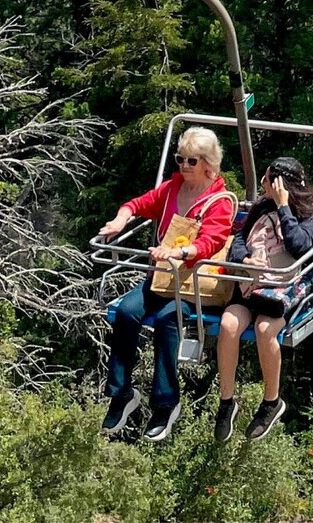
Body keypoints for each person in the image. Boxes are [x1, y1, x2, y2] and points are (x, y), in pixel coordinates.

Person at [95, 127, 238, 442]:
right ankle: (121, 394)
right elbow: (138, 204)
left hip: (190, 283)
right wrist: (121, 219)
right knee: (126, 312)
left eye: (191, 160)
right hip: (160, 278)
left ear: (207, 164)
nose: (184, 166)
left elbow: (212, 240)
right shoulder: (173, 188)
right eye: (180, 159)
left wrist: (178, 252)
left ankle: (165, 402)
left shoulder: (220, 200)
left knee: (166, 319)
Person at [214, 156, 313, 442]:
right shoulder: (261, 207)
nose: (263, 185)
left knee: (266, 329)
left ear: (280, 185)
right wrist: (247, 258)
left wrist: (283, 207)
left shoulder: (312, 213)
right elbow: (239, 241)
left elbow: (299, 245)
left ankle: (271, 402)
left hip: (286, 284)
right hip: (255, 282)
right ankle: (226, 402)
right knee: (229, 325)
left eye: (267, 181)